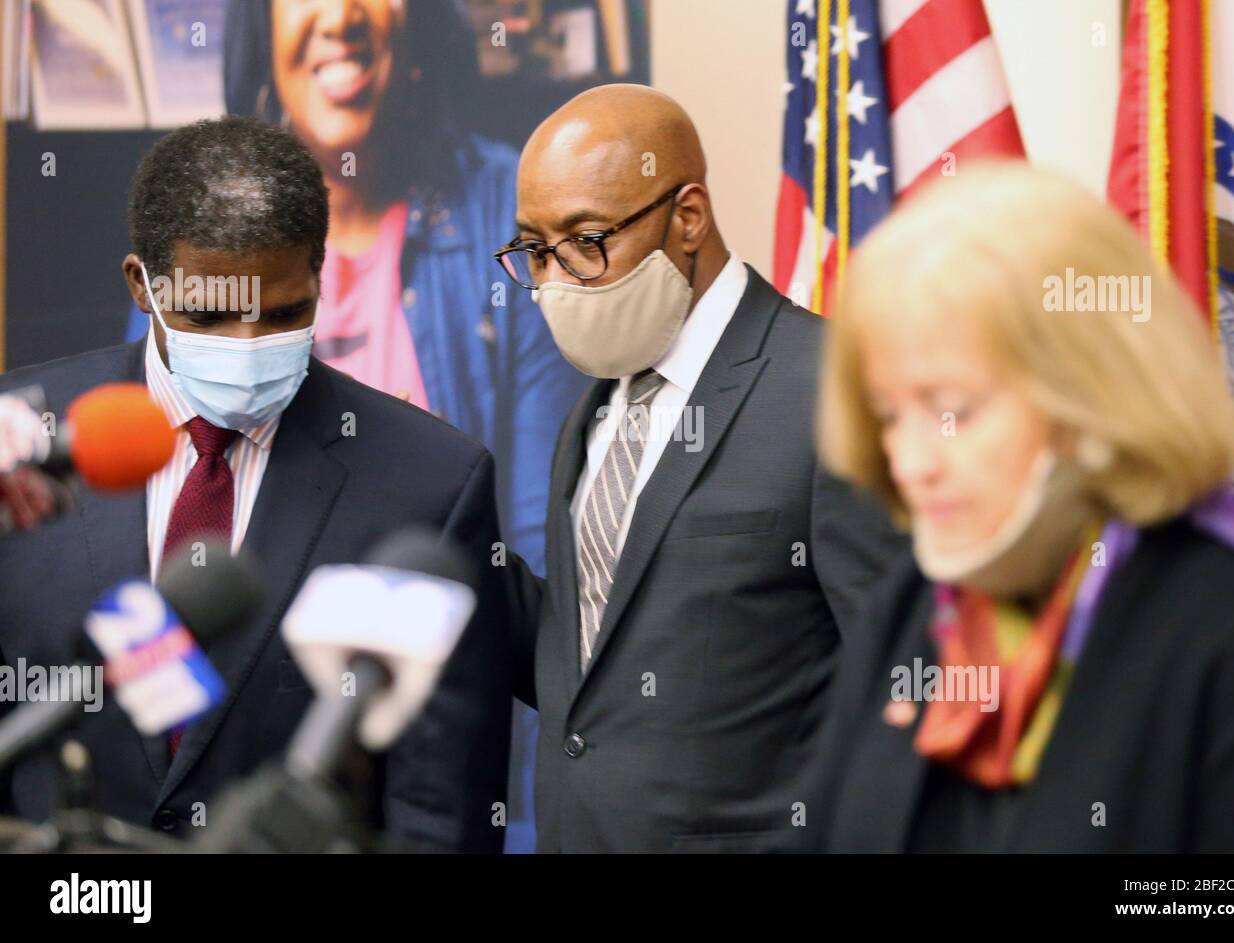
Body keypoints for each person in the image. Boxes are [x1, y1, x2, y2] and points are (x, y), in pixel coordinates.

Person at [125, 0, 588, 849]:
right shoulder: (186, 228)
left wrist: (521, 824)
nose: (342, 17)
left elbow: (525, 598)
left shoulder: (505, 222)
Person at [0, 116, 513, 852]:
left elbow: (440, 810)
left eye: (282, 313)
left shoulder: (431, 484)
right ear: (141, 284)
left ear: (319, 276)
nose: (248, 346)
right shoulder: (20, 449)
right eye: (210, 312)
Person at [811, 161, 1234, 852]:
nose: (911, 463)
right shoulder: (915, 606)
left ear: (1091, 395)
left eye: (953, 410)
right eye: (889, 416)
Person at [501, 84, 906, 853]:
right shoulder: (593, 409)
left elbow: (903, 688)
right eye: (534, 248)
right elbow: (594, 666)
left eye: (586, 240)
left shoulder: (831, 389)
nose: (554, 278)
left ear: (688, 216)